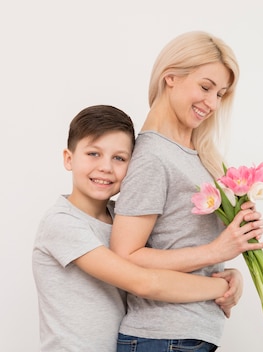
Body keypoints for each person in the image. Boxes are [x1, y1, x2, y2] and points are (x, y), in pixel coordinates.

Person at [109, 31, 263, 352]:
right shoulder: (153, 156)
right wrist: (218, 252)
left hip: (186, 335)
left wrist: (228, 276)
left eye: (221, 93)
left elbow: (183, 243)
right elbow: (125, 256)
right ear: (171, 77)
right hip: (162, 335)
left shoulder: (199, 155)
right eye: (206, 87)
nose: (212, 103)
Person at [32, 105, 232, 352]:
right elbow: (144, 282)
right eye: (93, 153)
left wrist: (232, 275)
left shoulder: (121, 219)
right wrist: (222, 286)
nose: (106, 167)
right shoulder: (62, 223)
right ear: (69, 159)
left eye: (119, 158)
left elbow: (163, 261)